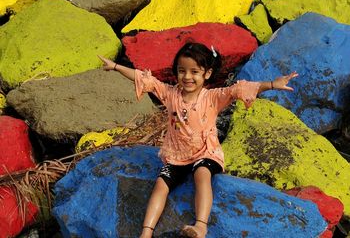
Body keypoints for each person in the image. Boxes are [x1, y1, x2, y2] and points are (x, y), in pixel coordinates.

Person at [98, 42, 298, 238]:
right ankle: (146, 232)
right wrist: (116, 66)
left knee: (202, 175)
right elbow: (143, 78)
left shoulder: (212, 97)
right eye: (182, 70)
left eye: (194, 72)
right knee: (160, 185)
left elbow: (239, 89)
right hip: (176, 155)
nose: (187, 77)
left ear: (207, 74)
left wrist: (272, 84)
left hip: (205, 152)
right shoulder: (169, 94)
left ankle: (200, 226)